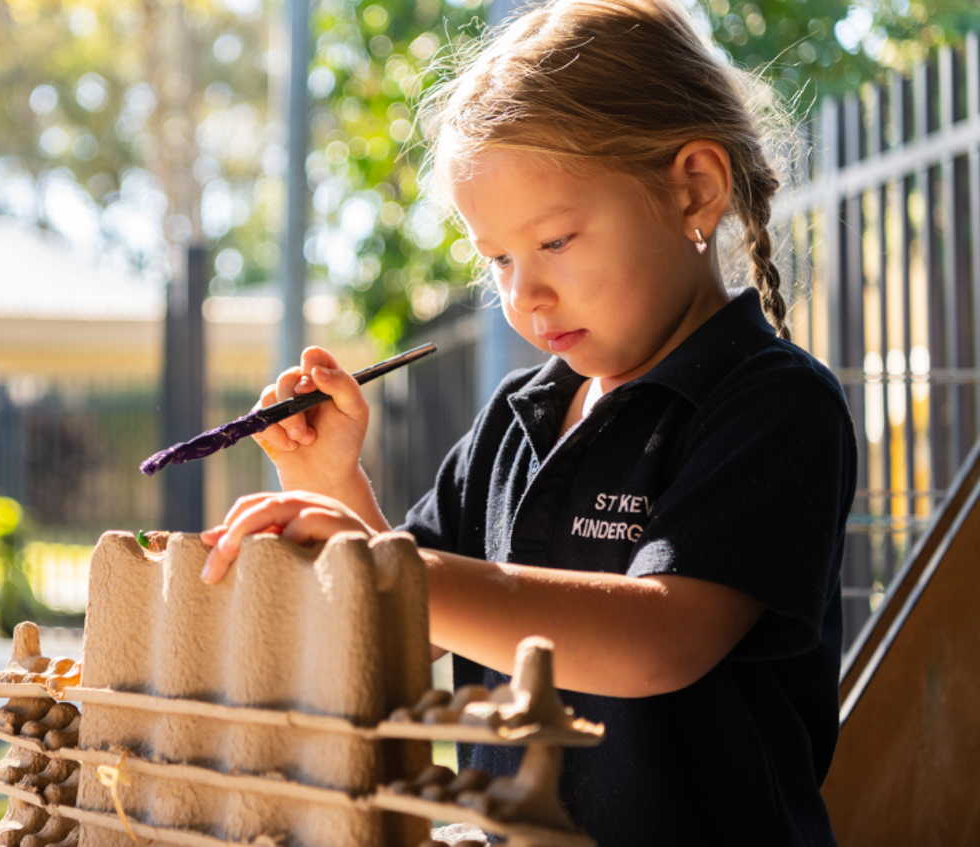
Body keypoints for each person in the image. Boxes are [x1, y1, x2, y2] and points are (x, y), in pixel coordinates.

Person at [198, 0, 855, 844]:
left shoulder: (772, 403)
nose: (524, 294)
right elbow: (404, 637)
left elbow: (657, 640)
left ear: (694, 187)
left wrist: (390, 568)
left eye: (556, 242)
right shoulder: (516, 419)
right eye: (499, 258)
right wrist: (331, 487)